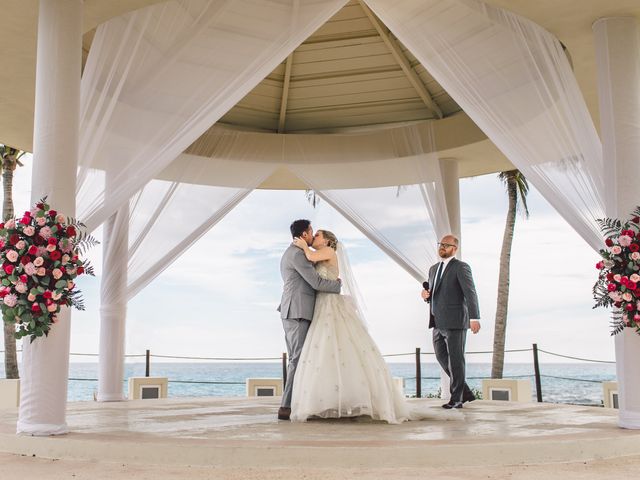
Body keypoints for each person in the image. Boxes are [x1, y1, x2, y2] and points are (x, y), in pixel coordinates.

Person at [289, 229, 410, 424]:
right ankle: (328, 399)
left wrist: (303, 245)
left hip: (330, 303)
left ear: (328, 241)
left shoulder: (328, 252)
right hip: (322, 304)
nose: (315, 237)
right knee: (325, 351)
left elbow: (310, 256)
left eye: (318, 235)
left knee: (338, 345)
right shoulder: (323, 255)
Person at [277, 220, 341, 421]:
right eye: (312, 231)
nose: (313, 235)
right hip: (297, 311)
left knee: (303, 358)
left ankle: (302, 402)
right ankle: (286, 407)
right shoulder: (297, 254)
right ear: (305, 234)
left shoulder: (297, 252)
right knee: (298, 359)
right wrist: (337, 286)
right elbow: (315, 281)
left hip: (298, 310)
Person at [421, 234, 480, 409]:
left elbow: (470, 293)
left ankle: (457, 400)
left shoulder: (461, 267)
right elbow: (434, 293)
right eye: (441, 244)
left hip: (456, 321)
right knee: (441, 357)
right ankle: (464, 392)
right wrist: (426, 296)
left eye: (446, 245)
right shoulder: (433, 269)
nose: (442, 247)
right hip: (437, 322)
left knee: (456, 360)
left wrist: (474, 317)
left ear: (454, 249)